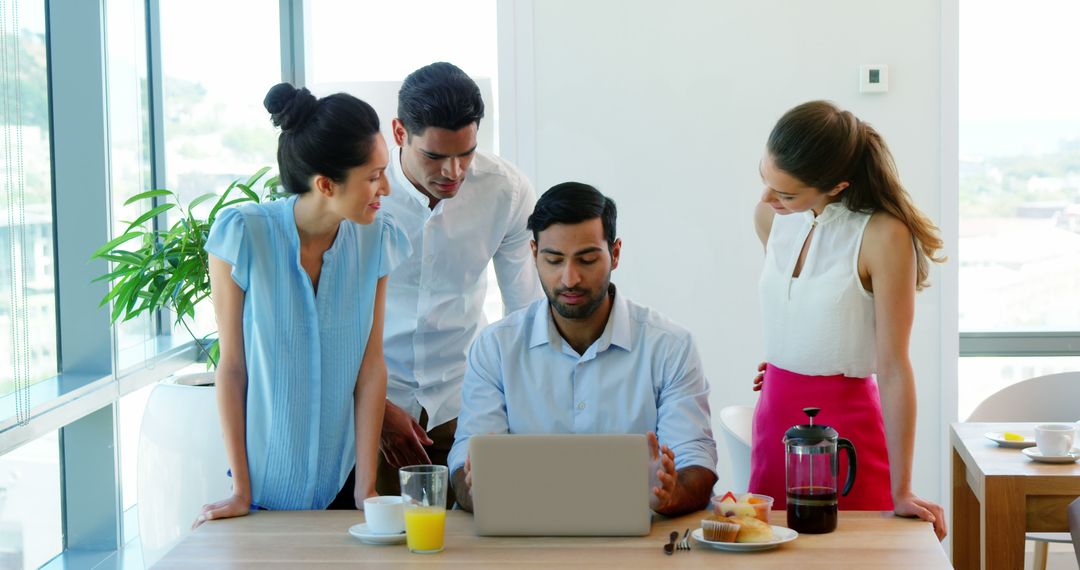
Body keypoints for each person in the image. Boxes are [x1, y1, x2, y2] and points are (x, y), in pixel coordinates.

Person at [195, 83, 410, 526]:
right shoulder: (243, 235)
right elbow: (232, 368)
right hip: (260, 494)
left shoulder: (377, 240)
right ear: (326, 184)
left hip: (340, 486)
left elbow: (371, 366)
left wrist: (365, 488)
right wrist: (240, 490)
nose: (385, 188)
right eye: (372, 176)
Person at [448, 182, 718, 516]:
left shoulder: (670, 346)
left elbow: (696, 460)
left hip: (640, 544)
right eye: (554, 260)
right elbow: (466, 461)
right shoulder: (495, 348)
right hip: (524, 538)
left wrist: (672, 492)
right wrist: (477, 487)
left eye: (587, 260)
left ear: (615, 254)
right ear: (534, 254)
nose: (570, 278)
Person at [750, 100, 947, 539]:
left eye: (785, 193)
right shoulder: (771, 219)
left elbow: (895, 366)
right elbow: (801, 311)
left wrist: (903, 489)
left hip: (847, 431)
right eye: (765, 179)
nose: (767, 199)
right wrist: (787, 364)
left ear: (837, 185)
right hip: (774, 421)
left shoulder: (883, 235)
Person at [377, 62, 542, 507]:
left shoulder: (506, 191)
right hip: (372, 402)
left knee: (477, 537)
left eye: (466, 152)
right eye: (434, 156)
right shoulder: (365, 192)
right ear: (399, 132)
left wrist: (517, 412)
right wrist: (374, 409)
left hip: (463, 399)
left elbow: (523, 311)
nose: (454, 171)